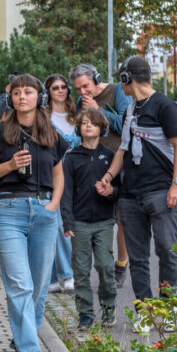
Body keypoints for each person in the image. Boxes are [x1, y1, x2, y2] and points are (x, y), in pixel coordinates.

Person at [0, 74, 68, 352]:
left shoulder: (51, 134)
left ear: (39, 98)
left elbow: (58, 175)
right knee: (20, 283)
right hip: (9, 211)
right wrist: (9, 165)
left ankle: (23, 335)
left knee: (40, 284)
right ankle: (30, 347)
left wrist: (53, 207)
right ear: (10, 99)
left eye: (28, 92)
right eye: (16, 93)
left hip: (44, 211)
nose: (21, 97)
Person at [95, 56, 177, 333]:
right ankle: (145, 313)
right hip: (130, 195)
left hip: (161, 191)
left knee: (167, 251)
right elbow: (122, 149)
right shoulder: (131, 110)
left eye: (119, 79)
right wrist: (109, 177)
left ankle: (169, 310)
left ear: (126, 79)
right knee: (138, 258)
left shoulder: (166, 107)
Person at [70, 62, 134, 287]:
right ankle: (99, 266)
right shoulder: (81, 102)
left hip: (119, 161)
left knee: (122, 217)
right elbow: (82, 130)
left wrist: (99, 109)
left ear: (96, 78)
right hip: (94, 164)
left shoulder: (116, 91)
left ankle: (121, 263)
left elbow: (126, 124)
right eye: (78, 89)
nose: (82, 92)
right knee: (99, 217)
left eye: (85, 86)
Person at [61, 109, 119, 331]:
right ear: (79, 128)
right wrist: (68, 222)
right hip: (79, 222)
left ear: (101, 128)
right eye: (84, 123)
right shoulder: (72, 157)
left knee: (105, 265)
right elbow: (66, 193)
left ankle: (109, 306)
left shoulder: (110, 156)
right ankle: (85, 314)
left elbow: (119, 189)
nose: (88, 126)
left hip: (104, 221)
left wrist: (111, 192)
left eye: (92, 123)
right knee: (81, 270)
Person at [45, 74, 80, 296]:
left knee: (72, 225)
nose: (60, 90)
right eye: (55, 87)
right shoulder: (43, 116)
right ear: (48, 91)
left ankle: (69, 273)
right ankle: (63, 275)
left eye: (63, 87)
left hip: (77, 175)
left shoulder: (76, 114)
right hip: (52, 175)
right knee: (56, 225)